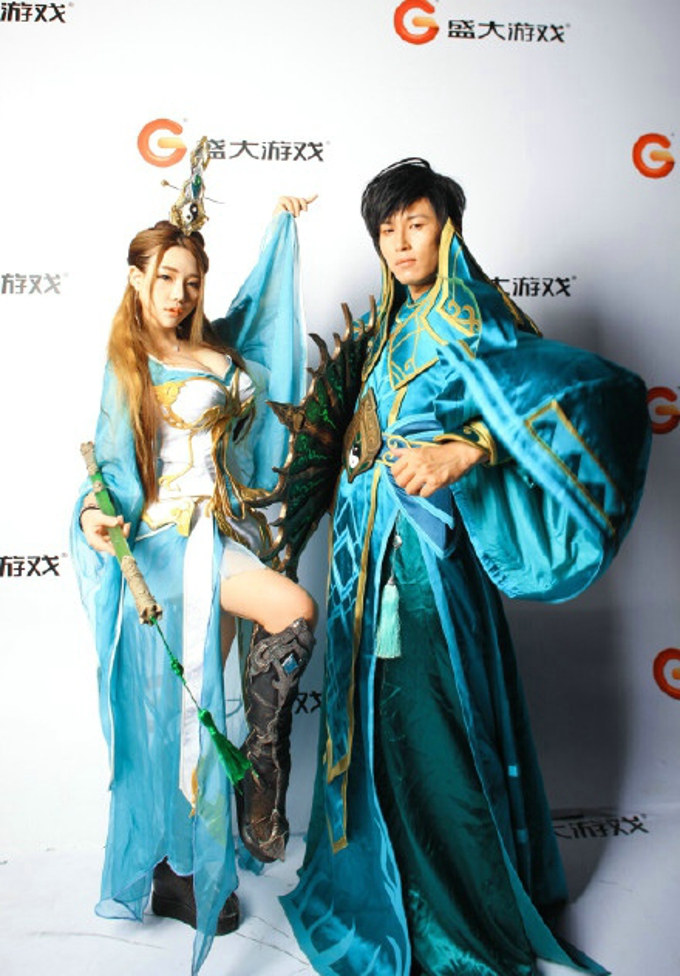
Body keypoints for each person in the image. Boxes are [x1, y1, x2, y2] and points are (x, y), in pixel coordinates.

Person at [280, 159, 650, 975]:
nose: (400, 242)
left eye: (416, 223)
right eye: (386, 230)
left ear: (447, 229)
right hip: (361, 552)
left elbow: (591, 395)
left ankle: (450, 909)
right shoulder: (390, 322)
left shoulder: (475, 314)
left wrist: (470, 448)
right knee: (375, 722)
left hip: (422, 559)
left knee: (429, 718)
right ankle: (380, 883)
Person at [71, 144, 317, 975]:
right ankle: (182, 864)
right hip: (168, 549)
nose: (180, 292)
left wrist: (280, 234)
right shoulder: (129, 364)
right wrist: (93, 518)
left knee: (234, 682)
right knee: (182, 714)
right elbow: (110, 468)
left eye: (192, 279)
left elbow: (264, 318)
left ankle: (251, 779)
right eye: (167, 277)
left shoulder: (219, 351)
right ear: (138, 278)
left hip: (225, 537)